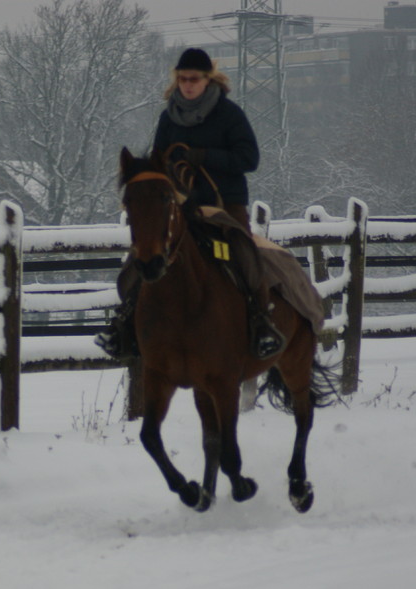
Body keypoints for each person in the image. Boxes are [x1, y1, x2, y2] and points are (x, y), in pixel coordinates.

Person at [96, 47, 285, 361]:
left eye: (193, 79)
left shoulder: (229, 114)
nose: (187, 84)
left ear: (207, 79)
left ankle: (261, 322)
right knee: (141, 258)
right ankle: (124, 322)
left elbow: (249, 159)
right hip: (182, 205)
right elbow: (158, 164)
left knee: (242, 252)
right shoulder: (168, 116)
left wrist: (205, 156)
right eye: (182, 79)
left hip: (225, 204)